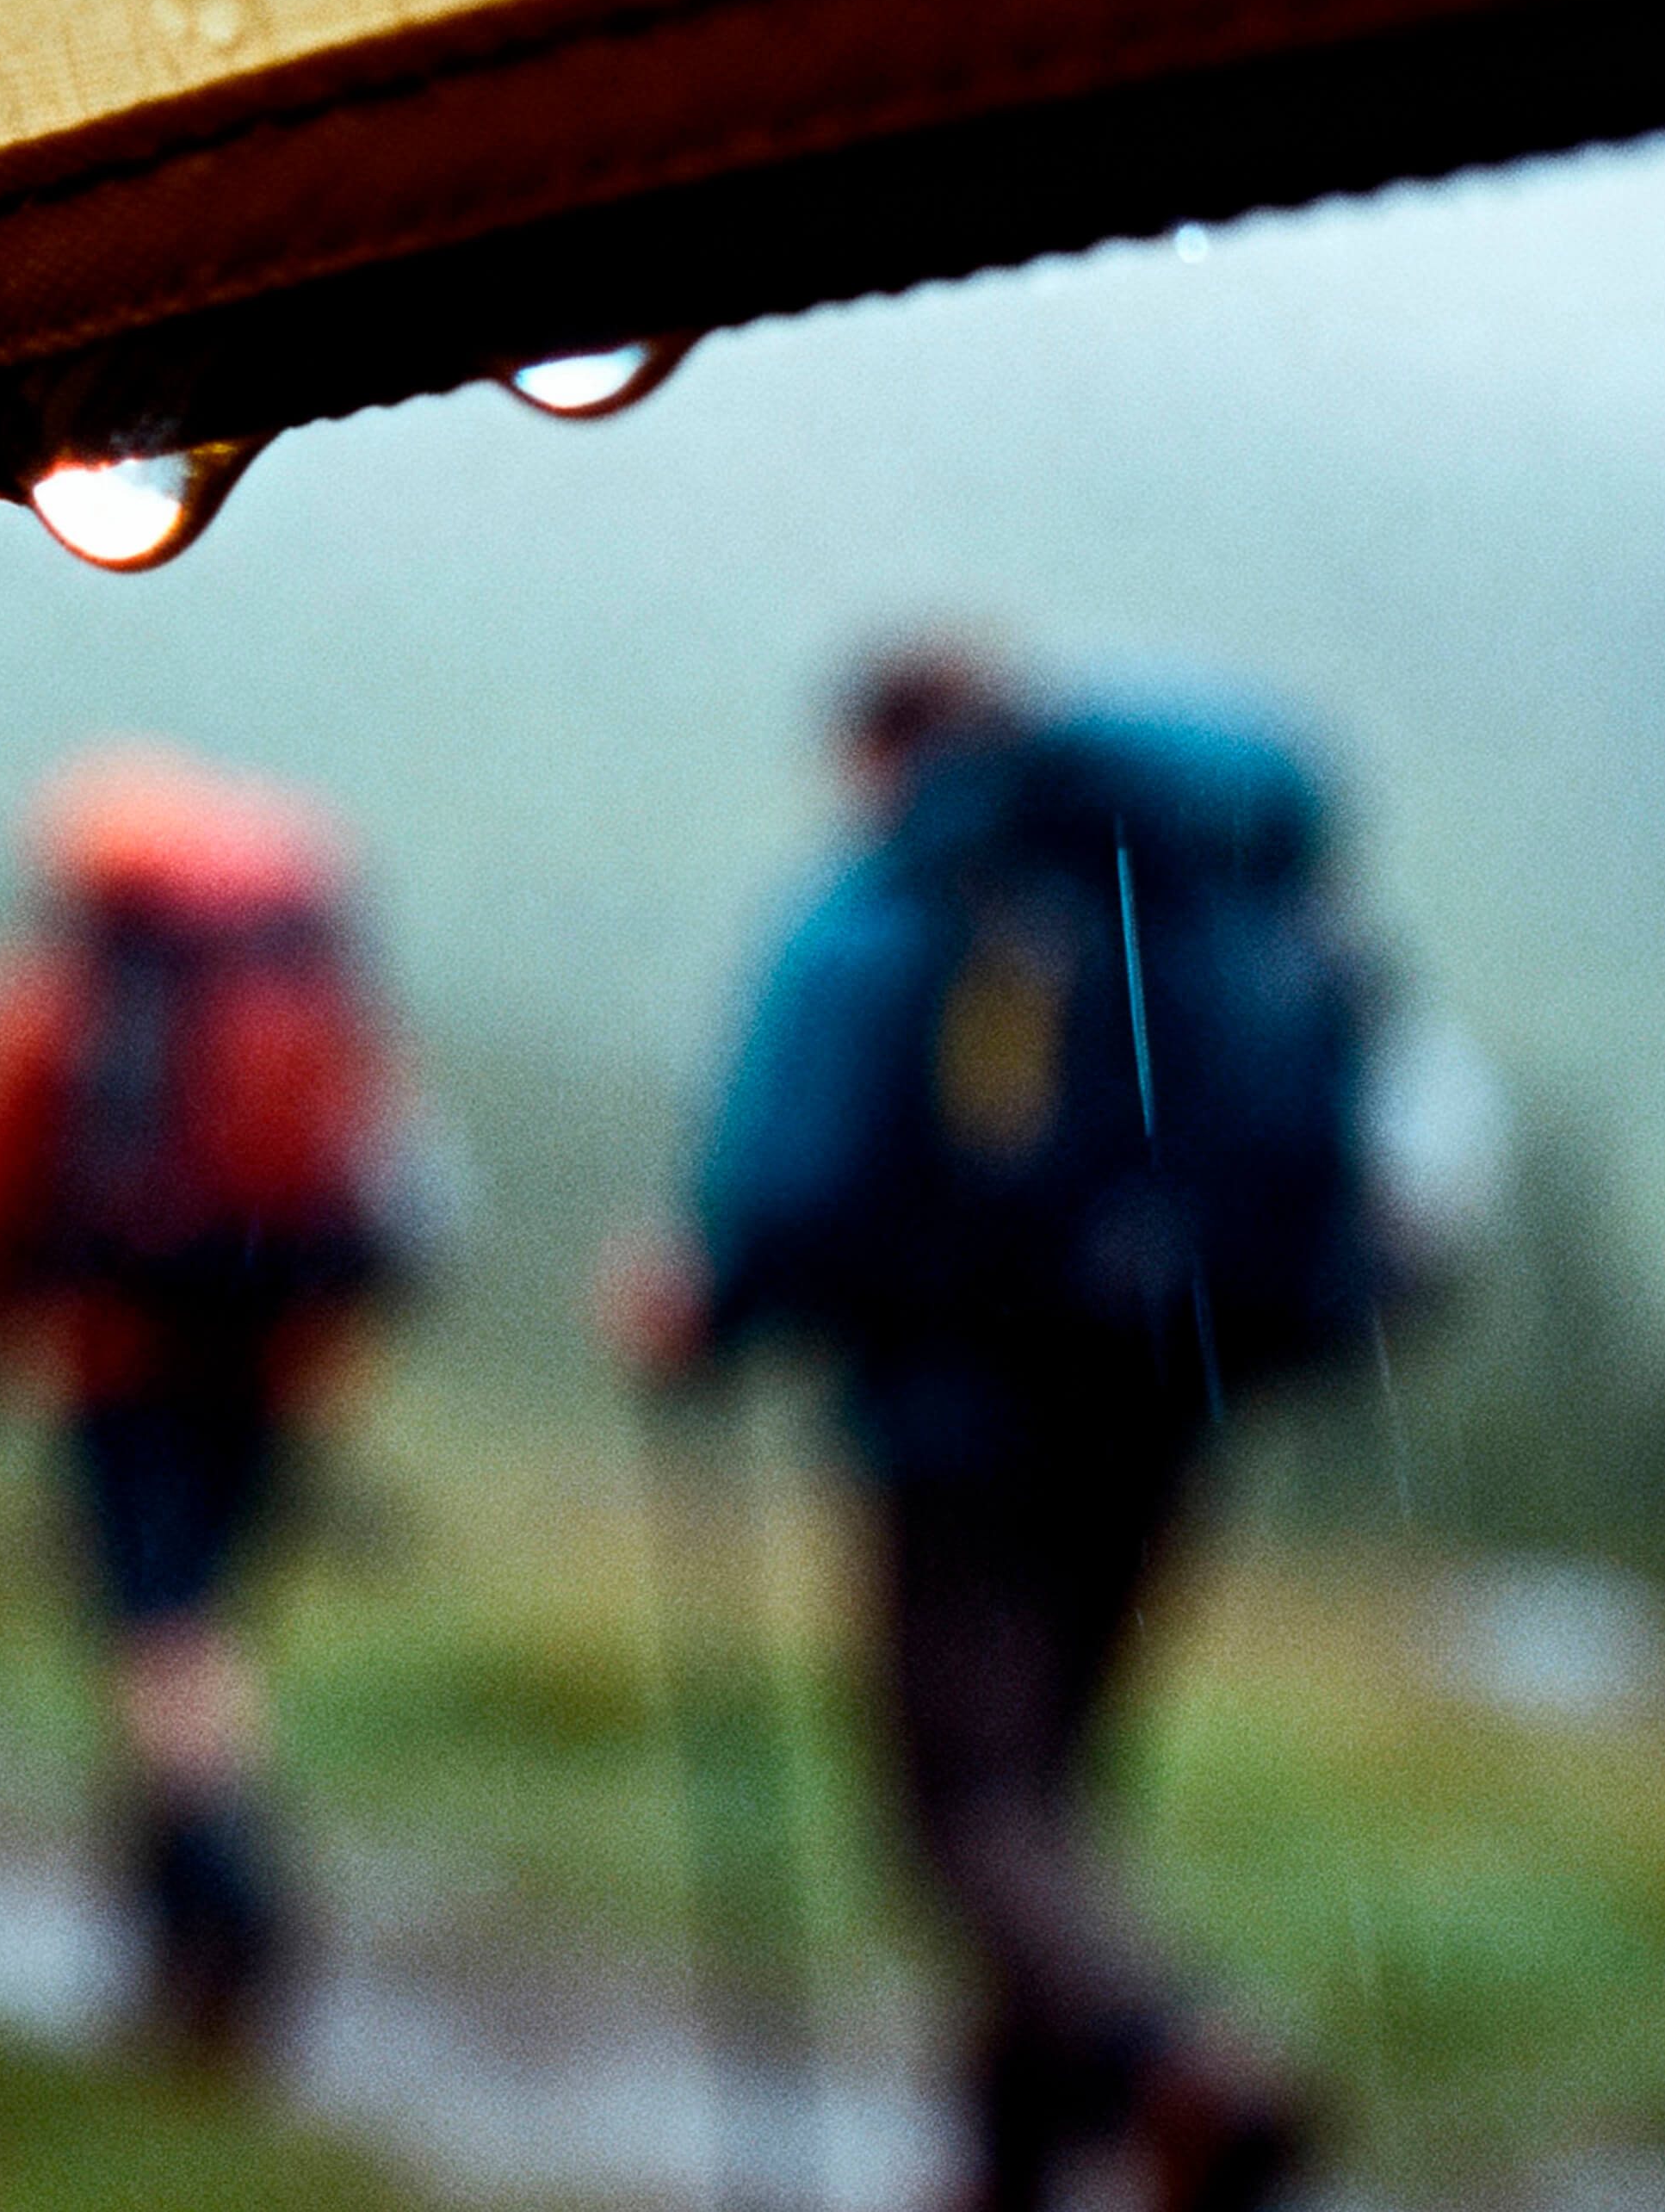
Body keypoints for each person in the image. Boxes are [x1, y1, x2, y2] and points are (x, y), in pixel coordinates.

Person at [609, 643, 1397, 2212]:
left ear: (887, 749)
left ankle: (1190, 2069)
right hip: (1171, 1403)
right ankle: (1008, 2164)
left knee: (967, 1806)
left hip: (961, 1419)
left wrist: (706, 1305)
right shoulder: (1210, 884)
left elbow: (798, 1182)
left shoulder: (917, 896)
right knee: (1052, 1797)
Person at [0, 748, 417, 2060]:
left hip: (125, 1365)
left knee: (160, 1630)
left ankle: (226, 1889)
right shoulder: (312, 1002)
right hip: (274, 1371)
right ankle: (176, 1930)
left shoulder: (49, 1009)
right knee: (207, 1627)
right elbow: (381, 1184)